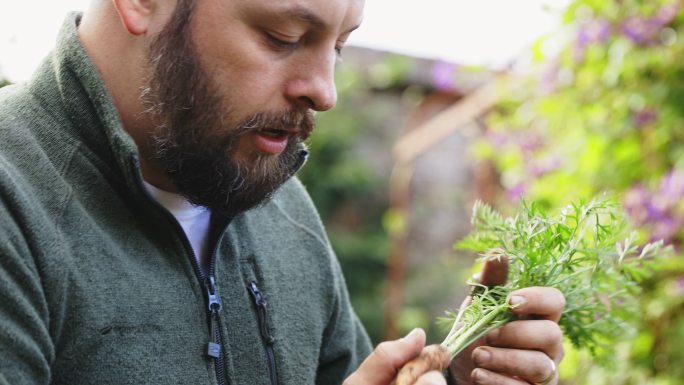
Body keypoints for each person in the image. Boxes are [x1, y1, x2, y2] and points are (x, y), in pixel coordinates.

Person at [0, 0, 565, 384]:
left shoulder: (280, 206)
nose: (324, 90)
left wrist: (452, 376)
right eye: (283, 37)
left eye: (338, 47)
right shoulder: (16, 203)